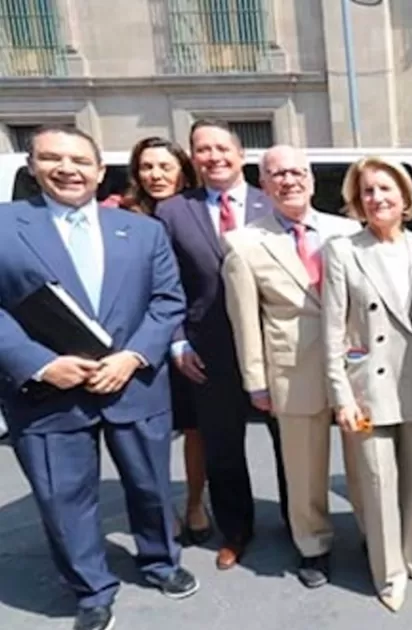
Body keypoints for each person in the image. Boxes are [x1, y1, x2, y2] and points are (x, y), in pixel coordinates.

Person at [0, 125, 198, 630]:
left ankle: (160, 562)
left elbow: (167, 301)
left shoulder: (143, 230)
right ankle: (91, 590)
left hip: (132, 383)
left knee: (151, 485)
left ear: (99, 169)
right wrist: (41, 363)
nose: (67, 169)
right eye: (52, 158)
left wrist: (132, 357)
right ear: (33, 166)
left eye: (79, 160)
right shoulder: (5, 225)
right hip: (47, 391)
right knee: (64, 497)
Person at [220, 145, 365, 588]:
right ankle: (313, 546)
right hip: (291, 370)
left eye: (297, 171)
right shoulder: (243, 243)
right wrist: (255, 382)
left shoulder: (349, 230)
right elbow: (244, 320)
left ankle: (368, 532)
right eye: (277, 174)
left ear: (311, 176)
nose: (288, 180)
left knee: (364, 461)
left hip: (353, 369)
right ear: (263, 184)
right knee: (303, 469)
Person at [155, 119, 290, 570]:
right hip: (207, 352)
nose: (213, 156)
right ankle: (237, 530)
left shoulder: (272, 200)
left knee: (290, 444)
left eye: (221, 148)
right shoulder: (174, 211)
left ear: (241, 154)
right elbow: (163, 285)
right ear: (192, 158)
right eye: (202, 149)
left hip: (276, 349)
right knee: (223, 449)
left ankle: (300, 524)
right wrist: (176, 342)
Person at [323, 157, 412, 612]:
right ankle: (388, 571)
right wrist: (340, 396)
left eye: (386, 189)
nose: (377, 198)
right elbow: (333, 331)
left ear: (405, 198)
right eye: (368, 191)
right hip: (367, 388)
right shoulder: (343, 250)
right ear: (357, 199)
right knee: (377, 481)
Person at [105, 136, 212, 545]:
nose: (156, 175)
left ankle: (195, 503)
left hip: (188, 337)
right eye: (147, 167)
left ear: (183, 171)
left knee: (194, 427)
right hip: (138, 339)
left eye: (165, 166)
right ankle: (160, 511)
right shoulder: (120, 216)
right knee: (149, 434)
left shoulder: (196, 212)